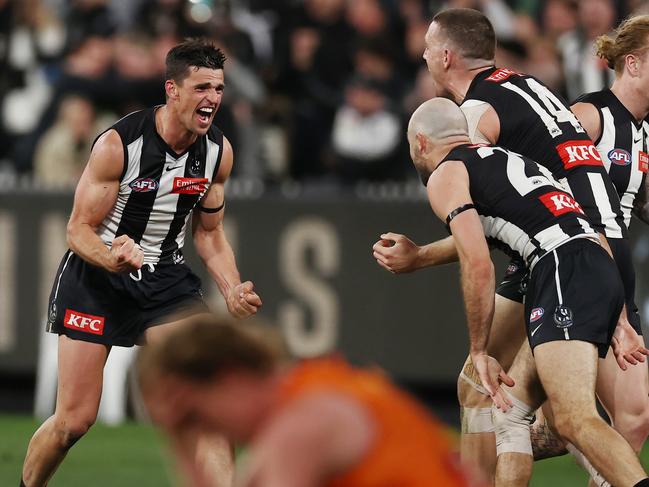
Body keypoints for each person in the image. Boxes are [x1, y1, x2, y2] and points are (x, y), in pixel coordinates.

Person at [371, 8, 640, 482]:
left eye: (429, 48)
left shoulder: (473, 115)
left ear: (446, 55)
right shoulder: (524, 85)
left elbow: (480, 230)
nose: (424, 55)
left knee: (519, 396)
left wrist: (418, 258)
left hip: (562, 254)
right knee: (542, 408)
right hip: (600, 244)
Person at [19, 39, 262, 487]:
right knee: (73, 421)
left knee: (212, 400)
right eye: (202, 87)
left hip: (165, 280)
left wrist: (230, 288)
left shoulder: (217, 153)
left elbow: (208, 234)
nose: (212, 99)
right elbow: (77, 230)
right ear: (172, 89)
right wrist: (113, 257)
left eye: (219, 88)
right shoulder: (119, 144)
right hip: (95, 279)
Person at [407, 96, 649, 487]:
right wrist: (618, 316)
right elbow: (577, 222)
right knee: (512, 413)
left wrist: (479, 350)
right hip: (595, 263)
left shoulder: (445, 175)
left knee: (574, 418)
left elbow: (478, 262)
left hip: (560, 270)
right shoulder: (511, 161)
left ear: (421, 142)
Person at [136, 314, 474, 487]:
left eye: (199, 417)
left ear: (229, 376)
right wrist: (180, 440)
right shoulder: (316, 386)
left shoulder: (299, 429)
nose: (210, 432)